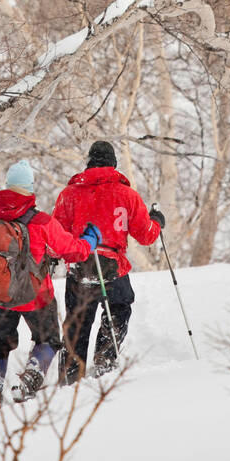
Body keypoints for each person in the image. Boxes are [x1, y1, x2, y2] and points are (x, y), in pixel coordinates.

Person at [0, 159, 100, 408]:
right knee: (49, 339)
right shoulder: (41, 221)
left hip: (2, 295)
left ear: (7, 186)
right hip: (37, 296)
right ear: (30, 188)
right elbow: (73, 251)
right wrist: (90, 239)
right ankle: (29, 382)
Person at [53, 141, 164, 383]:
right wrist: (157, 222)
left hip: (80, 266)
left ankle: (70, 375)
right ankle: (105, 357)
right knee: (120, 307)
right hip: (113, 266)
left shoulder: (69, 195)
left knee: (77, 321)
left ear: (89, 162)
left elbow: (56, 235)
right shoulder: (128, 196)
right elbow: (146, 235)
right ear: (113, 164)